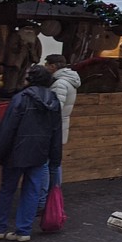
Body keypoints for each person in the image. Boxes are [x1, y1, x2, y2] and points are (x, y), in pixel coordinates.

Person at [0, 64, 61, 241]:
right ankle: (24, 230)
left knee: (7, 190)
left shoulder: (20, 98)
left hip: (16, 152)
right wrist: (55, 159)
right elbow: (56, 132)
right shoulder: (54, 101)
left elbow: (7, 129)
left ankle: (0, 228)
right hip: (39, 152)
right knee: (32, 190)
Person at [43, 54, 78, 196]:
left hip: (54, 129)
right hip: (59, 128)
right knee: (54, 162)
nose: (45, 67)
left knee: (50, 163)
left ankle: (50, 195)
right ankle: (53, 193)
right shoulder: (66, 81)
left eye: (46, 64)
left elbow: (55, 108)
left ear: (53, 66)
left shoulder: (60, 84)